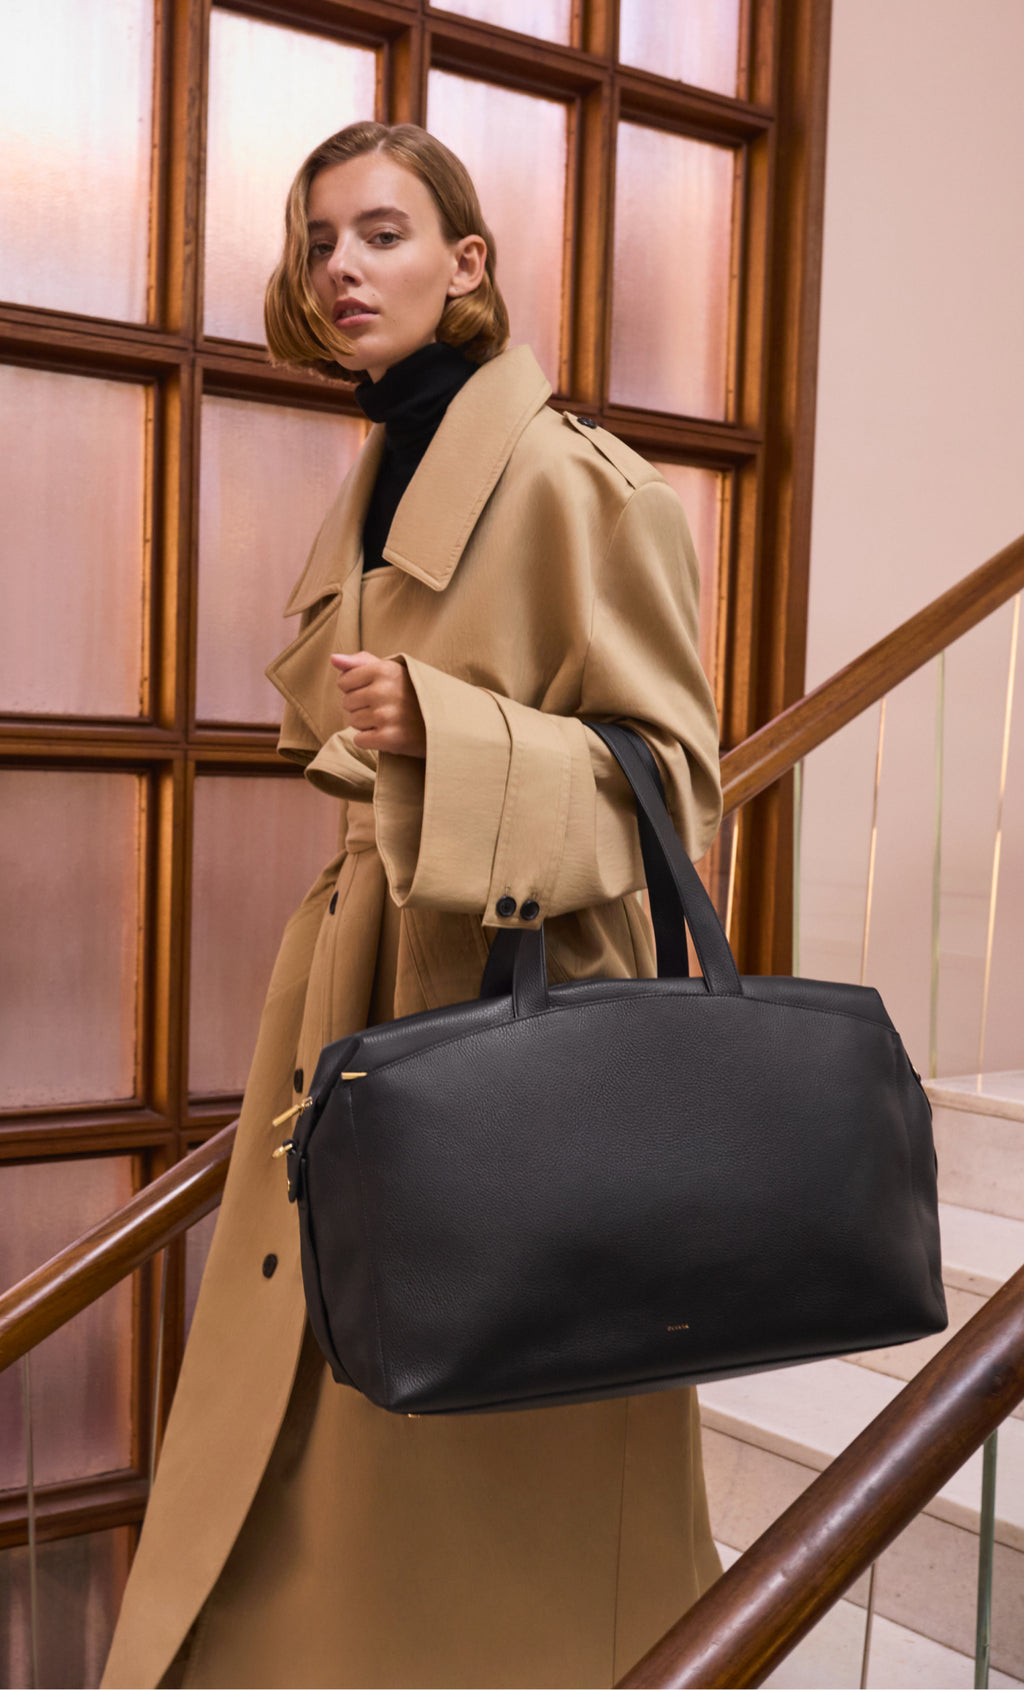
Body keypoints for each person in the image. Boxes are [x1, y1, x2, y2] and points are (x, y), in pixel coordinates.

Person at [102, 120, 724, 1690]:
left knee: (480, 1458)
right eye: (319, 240)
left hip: (515, 1016)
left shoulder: (590, 488)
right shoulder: (385, 467)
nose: (338, 267)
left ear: (467, 265)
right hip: (364, 993)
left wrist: (450, 734)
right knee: (318, 1419)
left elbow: (675, 784)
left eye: (380, 233)